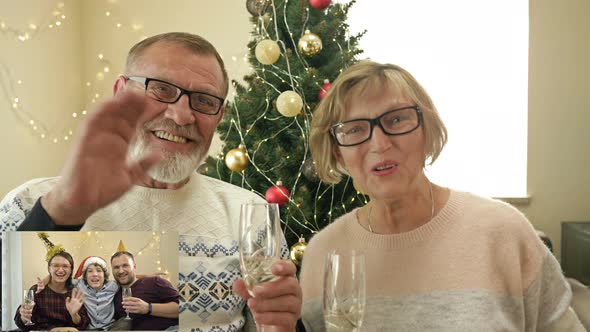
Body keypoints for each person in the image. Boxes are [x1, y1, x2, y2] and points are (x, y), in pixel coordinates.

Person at [0, 32, 301, 331]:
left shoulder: (250, 213)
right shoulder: (28, 202)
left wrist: (283, 326)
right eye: (161, 89)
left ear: (220, 115)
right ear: (121, 92)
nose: (182, 116)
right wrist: (57, 214)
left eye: (204, 101)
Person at [300, 60, 586, 331]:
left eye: (397, 119)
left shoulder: (504, 231)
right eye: (355, 129)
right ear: (338, 151)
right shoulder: (323, 253)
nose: (380, 143)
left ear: (426, 129)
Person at [15, 251, 90, 331]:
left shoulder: (74, 293)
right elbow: (21, 322)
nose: (61, 270)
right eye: (56, 266)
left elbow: (84, 324)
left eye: (65, 266)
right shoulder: (35, 289)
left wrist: (74, 314)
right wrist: (24, 317)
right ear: (49, 269)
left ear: (71, 270)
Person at [110, 250, 179, 331]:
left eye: (125, 265)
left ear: (134, 267)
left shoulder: (154, 282)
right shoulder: (112, 292)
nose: (121, 271)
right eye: (116, 267)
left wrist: (148, 308)